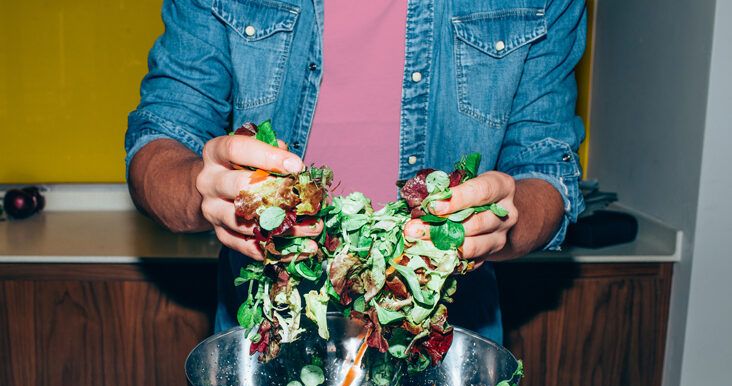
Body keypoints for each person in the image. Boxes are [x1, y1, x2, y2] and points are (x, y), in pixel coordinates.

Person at [125, 0, 586, 343]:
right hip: (266, 338)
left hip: (448, 342)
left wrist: (507, 218)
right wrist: (202, 187)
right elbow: (159, 141)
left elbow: (548, 173)